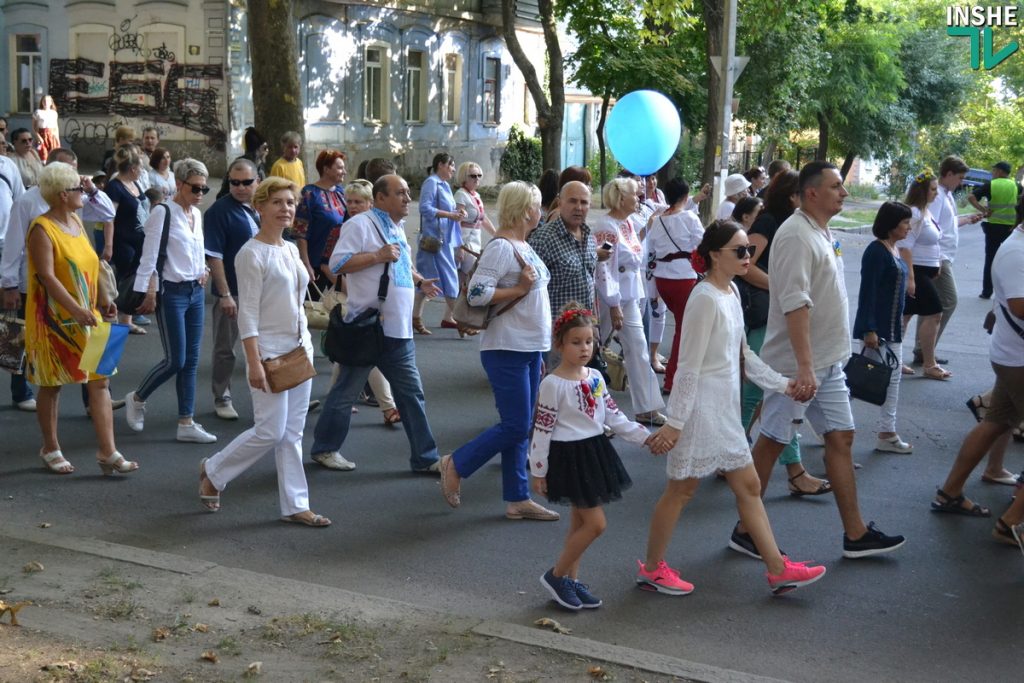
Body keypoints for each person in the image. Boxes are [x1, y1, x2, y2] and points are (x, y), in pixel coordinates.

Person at [637, 221, 826, 595]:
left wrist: (783, 384)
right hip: (699, 410)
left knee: (750, 485)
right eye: (739, 251)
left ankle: (777, 570)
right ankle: (653, 568)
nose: (748, 257)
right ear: (713, 256)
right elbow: (687, 364)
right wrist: (675, 422)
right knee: (681, 490)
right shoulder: (703, 297)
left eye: (749, 251)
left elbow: (744, 356)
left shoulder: (733, 292)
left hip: (724, 408)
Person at [742, 161, 906, 559]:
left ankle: (855, 534)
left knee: (841, 437)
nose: (844, 192)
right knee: (771, 442)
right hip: (798, 365)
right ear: (812, 192)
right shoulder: (796, 235)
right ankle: (747, 531)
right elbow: (795, 303)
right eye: (837, 186)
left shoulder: (820, 230)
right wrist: (802, 367)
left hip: (828, 360)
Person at [198, 176, 331, 527]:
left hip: (299, 349)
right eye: (277, 202)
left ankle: (295, 505)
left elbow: (297, 301)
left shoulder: (288, 249)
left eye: (290, 202)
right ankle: (213, 470)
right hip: (269, 353)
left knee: (292, 433)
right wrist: (253, 362)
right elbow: (249, 313)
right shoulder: (250, 254)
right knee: (270, 431)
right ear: (259, 207)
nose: (286, 208)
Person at [437, 181, 559, 521]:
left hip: (529, 347)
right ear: (525, 209)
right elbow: (476, 293)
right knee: (517, 425)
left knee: (520, 423)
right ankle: (456, 463)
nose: (541, 211)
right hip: (507, 347)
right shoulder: (502, 247)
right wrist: (519, 288)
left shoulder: (523, 244)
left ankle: (517, 498)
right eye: (536, 205)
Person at [312, 174, 443, 473]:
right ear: (381, 198)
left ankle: (425, 458)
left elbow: (400, 267)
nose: (407, 198)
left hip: (398, 331)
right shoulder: (359, 224)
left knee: (411, 394)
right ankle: (324, 448)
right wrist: (376, 255)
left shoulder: (396, 228)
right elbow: (336, 264)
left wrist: (420, 281)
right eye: (400, 193)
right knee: (345, 393)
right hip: (369, 328)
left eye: (408, 192)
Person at [531, 305, 651, 610]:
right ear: (559, 344)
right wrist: (539, 470)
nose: (584, 348)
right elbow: (542, 429)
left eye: (589, 341)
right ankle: (557, 576)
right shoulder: (552, 384)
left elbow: (614, 415)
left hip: (595, 452)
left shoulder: (596, 376)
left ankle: (570, 580)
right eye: (576, 342)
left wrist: (647, 438)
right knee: (596, 525)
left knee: (578, 524)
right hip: (569, 457)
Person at [24, 162, 138, 476]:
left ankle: (108, 451)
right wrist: (76, 309)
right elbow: (47, 277)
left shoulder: (75, 220)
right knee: (53, 384)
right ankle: (50, 447)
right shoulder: (42, 229)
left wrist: (104, 299)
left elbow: (93, 263)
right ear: (62, 195)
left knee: (101, 381)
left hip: (92, 314)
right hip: (56, 320)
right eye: (78, 188)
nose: (84, 192)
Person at [3, 149, 119, 413]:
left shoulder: (76, 209)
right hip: (39, 290)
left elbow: (106, 213)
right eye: (73, 174)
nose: (80, 179)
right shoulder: (28, 204)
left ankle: (95, 400)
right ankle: (21, 392)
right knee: (29, 343)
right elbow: (14, 247)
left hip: (82, 292)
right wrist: (8, 283)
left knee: (90, 352)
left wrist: (90, 189)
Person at [738, 169, 830, 497]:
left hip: (773, 313)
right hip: (765, 314)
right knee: (763, 392)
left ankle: (785, 467)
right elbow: (744, 263)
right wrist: (779, 287)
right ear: (794, 196)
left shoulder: (802, 227)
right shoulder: (771, 223)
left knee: (772, 396)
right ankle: (771, 466)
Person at [932, 220, 1024, 535]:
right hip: (1018, 359)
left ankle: (950, 492)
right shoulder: (1016, 251)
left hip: (1012, 355)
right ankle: (1012, 524)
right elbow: (1019, 305)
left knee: (995, 422)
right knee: (995, 422)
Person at [125, 159, 216, 444]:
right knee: (175, 359)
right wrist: (149, 291)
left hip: (196, 292)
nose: (200, 193)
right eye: (195, 187)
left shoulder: (196, 215)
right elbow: (149, 257)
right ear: (179, 184)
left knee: (191, 360)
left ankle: (186, 421)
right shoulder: (162, 213)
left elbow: (196, 247)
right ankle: (137, 398)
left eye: (205, 188)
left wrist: (204, 268)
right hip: (172, 293)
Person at [593, 177, 666, 425]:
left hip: (629, 297)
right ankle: (588, 406)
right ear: (621, 197)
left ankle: (646, 406)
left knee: (638, 348)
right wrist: (613, 304)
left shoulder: (626, 224)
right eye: (635, 194)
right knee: (593, 349)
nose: (639, 198)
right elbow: (604, 269)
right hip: (609, 299)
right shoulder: (606, 227)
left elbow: (633, 254)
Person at [853, 202, 913, 454]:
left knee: (858, 381)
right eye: (905, 222)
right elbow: (868, 292)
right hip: (878, 331)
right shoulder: (877, 252)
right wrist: (869, 330)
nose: (909, 227)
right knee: (857, 381)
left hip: (889, 328)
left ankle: (885, 432)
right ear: (891, 224)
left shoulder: (894, 248)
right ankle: (884, 433)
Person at [205, 158, 261, 421]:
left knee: (271, 344)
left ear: (257, 181)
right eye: (234, 182)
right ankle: (222, 395)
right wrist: (225, 294)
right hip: (234, 291)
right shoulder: (218, 211)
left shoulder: (263, 206)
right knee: (226, 347)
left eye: (246, 182)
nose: (239, 187)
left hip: (264, 290)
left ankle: (279, 390)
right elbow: (214, 256)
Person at [914, 156, 984, 366]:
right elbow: (929, 225)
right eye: (960, 177)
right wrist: (935, 258)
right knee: (948, 301)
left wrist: (966, 219)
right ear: (949, 174)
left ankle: (922, 349)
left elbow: (946, 223)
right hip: (937, 257)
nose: (961, 182)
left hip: (941, 256)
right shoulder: (936, 196)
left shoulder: (946, 195)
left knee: (930, 303)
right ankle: (925, 350)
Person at [648, 179, 703, 394]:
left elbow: (652, 247)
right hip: (683, 277)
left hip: (662, 279)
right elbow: (702, 243)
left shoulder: (658, 220)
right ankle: (672, 380)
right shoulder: (690, 218)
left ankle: (678, 375)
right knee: (684, 329)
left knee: (682, 327)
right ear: (685, 196)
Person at [529, 181, 609, 318]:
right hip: (555, 330)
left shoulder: (589, 237)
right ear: (560, 203)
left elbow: (590, 284)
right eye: (573, 201)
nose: (578, 207)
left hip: (585, 328)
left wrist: (593, 323)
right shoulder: (543, 239)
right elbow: (530, 291)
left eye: (584, 202)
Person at [898, 170, 949, 380]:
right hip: (916, 272)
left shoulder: (925, 211)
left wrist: (935, 265)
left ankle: (894, 359)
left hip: (925, 272)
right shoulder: (915, 214)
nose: (936, 193)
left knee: (905, 316)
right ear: (922, 190)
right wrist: (910, 278)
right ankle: (929, 364)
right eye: (933, 189)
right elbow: (904, 247)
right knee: (935, 313)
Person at [413, 153, 465, 335]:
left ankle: (415, 318)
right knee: (449, 279)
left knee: (427, 279)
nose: (453, 169)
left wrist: (457, 213)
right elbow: (424, 208)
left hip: (442, 241)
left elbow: (446, 211)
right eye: (451, 165)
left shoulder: (444, 185)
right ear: (441, 165)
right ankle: (461, 321)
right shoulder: (432, 183)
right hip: (434, 241)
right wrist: (451, 215)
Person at [105, 148, 151, 335]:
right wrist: (108, 244)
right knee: (125, 278)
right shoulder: (115, 187)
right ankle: (118, 317)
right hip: (122, 240)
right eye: (140, 167)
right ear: (132, 168)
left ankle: (126, 319)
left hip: (139, 239)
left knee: (134, 277)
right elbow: (109, 217)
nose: (142, 171)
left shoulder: (135, 184)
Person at [0, 149, 31, 410]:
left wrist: (9, 282)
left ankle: (21, 391)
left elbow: (20, 210)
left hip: (5, 248)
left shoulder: (7, 166)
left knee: (14, 326)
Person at [294, 149, 347, 288]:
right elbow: (301, 233)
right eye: (340, 167)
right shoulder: (309, 193)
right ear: (326, 169)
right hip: (315, 265)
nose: (344, 172)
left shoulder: (342, 193)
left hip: (339, 265)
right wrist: (306, 265)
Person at [968, 161, 1021, 300]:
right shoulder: (1016, 185)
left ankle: (986, 292)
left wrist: (983, 210)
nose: (992, 173)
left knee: (990, 259)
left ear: (1000, 171)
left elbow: (971, 197)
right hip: (1011, 228)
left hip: (993, 227)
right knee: (1011, 259)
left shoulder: (991, 184)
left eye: (994, 171)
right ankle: (1011, 292)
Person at [454, 161, 496, 280]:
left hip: (474, 242)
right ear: (464, 178)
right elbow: (456, 222)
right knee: (467, 277)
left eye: (479, 175)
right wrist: (460, 247)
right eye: (473, 176)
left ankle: (458, 298)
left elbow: (483, 218)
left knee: (467, 278)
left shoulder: (476, 195)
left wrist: (497, 235)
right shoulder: (460, 195)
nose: (477, 178)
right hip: (465, 242)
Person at [216, 127, 269, 199]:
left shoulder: (260, 165)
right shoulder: (239, 166)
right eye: (265, 148)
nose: (267, 151)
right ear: (257, 150)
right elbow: (224, 192)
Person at [32, 95, 60, 163]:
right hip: (42, 136)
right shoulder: (38, 112)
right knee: (43, 157)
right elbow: (33, 127)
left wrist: (57, 139)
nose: (46, 102)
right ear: (42, 102)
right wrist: (38, 137)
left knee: (53, 158)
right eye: (44, 100)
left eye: (48, 101)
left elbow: (56, 127)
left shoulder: (54, 113)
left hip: (52, 137)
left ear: (51, 102)